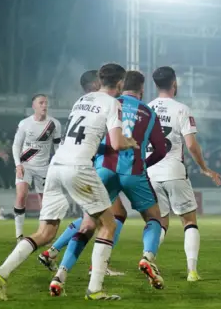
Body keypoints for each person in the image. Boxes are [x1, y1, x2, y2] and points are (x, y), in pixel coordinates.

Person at [0, 63, 139, 301]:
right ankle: (95, 289)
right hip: (79, 167)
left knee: (45, 232)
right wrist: (130, 142)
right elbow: (117, 143)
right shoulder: (113, 104)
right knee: (108, 224)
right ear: (120, 83)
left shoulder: (82, 100)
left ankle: (1, 273)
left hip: (56, 167)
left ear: (100, 80)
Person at [47, 70, 168, 296]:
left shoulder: (107, 101)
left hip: (105, 169)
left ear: (123, 86)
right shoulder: (148, 112)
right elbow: (161, 149)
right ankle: (147, 257)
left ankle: (60, 275)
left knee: (88, 224)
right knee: (154, 218)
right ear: (141, 89)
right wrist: (145, 162)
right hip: (134, 172)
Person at [38, 70, 126, 277]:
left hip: (75, 164)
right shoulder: (108, 103)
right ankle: (79, 267)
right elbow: (114, 141)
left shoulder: (82, 103)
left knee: (101, 216)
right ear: (97, 83)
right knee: (96, 219)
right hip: (91, 167)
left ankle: (53, 252)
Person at [147, 66, 221, 282]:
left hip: (150, 173)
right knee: (189, 221)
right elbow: (191, 145)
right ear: (174, 84)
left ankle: (148, 256)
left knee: (160, 222)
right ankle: (192, 271)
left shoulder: (147, 108)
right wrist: (204, 168)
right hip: (174, 171)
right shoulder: (181, 109)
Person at [11, 94, 62, 241]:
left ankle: (43, 234)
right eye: (41, 103)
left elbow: (58, 147)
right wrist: (18, 165)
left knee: (45, 202)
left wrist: (57, 165)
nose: (44, 105)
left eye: (46, 103)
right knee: (21, 196)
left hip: (44, 167)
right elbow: (16, 145)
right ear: (34, 106)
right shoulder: (25, 124)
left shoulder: (54, 124)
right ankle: (19, 235)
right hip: (25, 164)